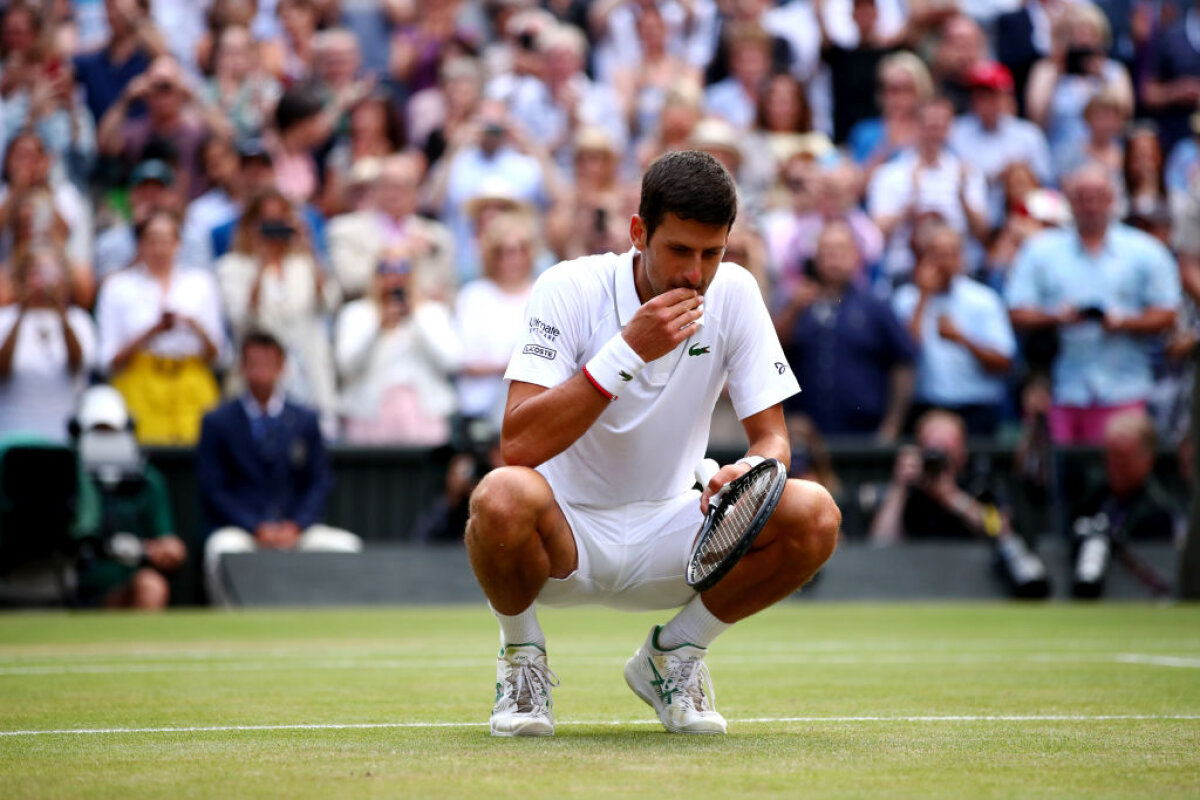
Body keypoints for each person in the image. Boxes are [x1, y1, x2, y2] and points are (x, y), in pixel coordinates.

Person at [466, 150, 840, 737]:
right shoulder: (568, 286)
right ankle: (521, 663)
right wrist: (627, 351)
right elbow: (516, 444)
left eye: (711, 253)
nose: (695, 273)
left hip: (679, 534)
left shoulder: (737, 293)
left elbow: (772, 438)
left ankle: (675, 656)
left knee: (814, 513)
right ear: (639, 233)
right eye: (679, 250)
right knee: (500, 495)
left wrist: (748, 472)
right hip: (562, 542)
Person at [1006, 164, 1181, 445]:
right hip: (1059, 389)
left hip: (1125, 386)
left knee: (1121, 468)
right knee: (1058, 479)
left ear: (1112, 199)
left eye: (1098, 196)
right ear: (1070, 201)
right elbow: (1016, 311)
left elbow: (1168, 313)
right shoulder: (1039, 250)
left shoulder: (1145, 251)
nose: (1090, 206)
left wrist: (1124, 322)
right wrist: (1057, 317)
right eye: (1082, 197)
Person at [198, 331, 361, 607]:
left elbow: (319, 481)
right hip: (243, 531)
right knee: (220, 550)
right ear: (242, 367)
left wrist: (295, 526)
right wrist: (255, 526)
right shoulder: (217, 422)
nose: (261, 371)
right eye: (254, 363)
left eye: (268, 363)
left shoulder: (306, 420)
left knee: (347, 547)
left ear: (282, 367)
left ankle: (328, 618)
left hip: (295, 529)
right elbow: (213, 489)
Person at [868, 409, 1050, 596]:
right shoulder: (910, 488)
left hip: (977, 585)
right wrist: (899, 487)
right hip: (912, 585)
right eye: (932, 448)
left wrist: (950, 496)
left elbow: (1000, 529)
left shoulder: (980, 483)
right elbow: (881, 543)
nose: (939, 459)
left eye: (946, 449)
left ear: (962, 451)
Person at [774, 220, 915, 440]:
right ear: (816, 258)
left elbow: (904, 362)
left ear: (856, 256)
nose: (834, 258)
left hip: (865, 434)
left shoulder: (876, 305)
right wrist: (793, 310)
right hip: (807, 436)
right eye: (827, 251)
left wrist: (892, 424)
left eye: (841, 250)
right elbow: (771, 352)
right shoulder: (797, 304)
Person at [215, 188, 340, 436]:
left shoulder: (304, 264)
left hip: (309, 375)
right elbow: (242, 320)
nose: (273, 228)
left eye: (279, 220)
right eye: (265, 221)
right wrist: (261, 264)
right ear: (251, 225)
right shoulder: (232, 266)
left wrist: (311, 250)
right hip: (258, 381)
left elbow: (329, 304)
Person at [95, 210, 225, 444]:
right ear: (140, 245)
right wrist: (151, 332)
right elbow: (107, 361)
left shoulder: (202, 284)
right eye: (152, 240)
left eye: (167, 240)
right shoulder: (117, 286)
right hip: (139, 383)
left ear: (178, 244)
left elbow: (219, 355)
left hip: (192, 383)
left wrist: (194, 326)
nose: (160, 248)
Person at [893, 224, 1016, 436]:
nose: (944, 262)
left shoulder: (983, 299)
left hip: (975, 407)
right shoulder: (906, 299)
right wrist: (923, 298)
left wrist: (962, 339)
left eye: (950, 254)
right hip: (924, 407)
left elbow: (1004, 362)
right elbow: (904, 355)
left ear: (961, 258)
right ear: (923, 258)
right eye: (936, 254)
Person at [70, 385, 186, 609]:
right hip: (77, 584)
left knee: (151, 586)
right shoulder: (69, 478)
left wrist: (147, 549)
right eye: (97, 432)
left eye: (111, 432)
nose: (104, 440)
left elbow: (167, 543)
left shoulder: (148, 481)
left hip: (124, 583)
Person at [335, 256, 462, 445]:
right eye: (385, 268)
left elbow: (453, 361)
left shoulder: (432, 313)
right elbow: (346, 366)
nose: (394, 277)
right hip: (368, 418)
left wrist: (415, 317)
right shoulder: (356, 314)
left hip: (424, 416)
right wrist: (378, 328)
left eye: (402, 268)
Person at [0, 248, 96, 442]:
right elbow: (2, 370)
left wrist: (60, 310)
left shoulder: (79, 320)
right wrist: (22, 311)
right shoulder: (5, 318)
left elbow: (77, 364)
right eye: (36, 272)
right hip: (13, 435)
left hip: (63, 437)